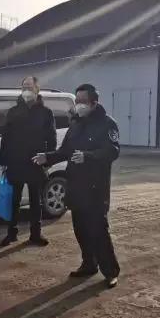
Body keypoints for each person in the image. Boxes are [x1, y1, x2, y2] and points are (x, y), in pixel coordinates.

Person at [33, 84, 120, 288]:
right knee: (80, 229)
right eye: (77, 100)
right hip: (76, 185)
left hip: (96, 187)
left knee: (99, 230)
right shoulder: (75, 123)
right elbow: (65, 151)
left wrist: (88, 156)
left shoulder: (107, 124)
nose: (79, 104)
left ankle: (111, 271)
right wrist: (47, 157)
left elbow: (113, 151)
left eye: (83, 101)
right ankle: (89, 264)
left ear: (94, 103)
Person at [0, 76, 57, 247]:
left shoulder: (45, 113)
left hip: (35, 162)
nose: (26, 90)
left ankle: (35, 234)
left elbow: (52, 139)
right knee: (14, 201)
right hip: (15, 162)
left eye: (30, 87)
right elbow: (5, 138)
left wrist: (47, 160)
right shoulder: (13, 111)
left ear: (37, 89)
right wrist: (4, 161)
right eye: (24, 87)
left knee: (35, 201)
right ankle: (11, 233)